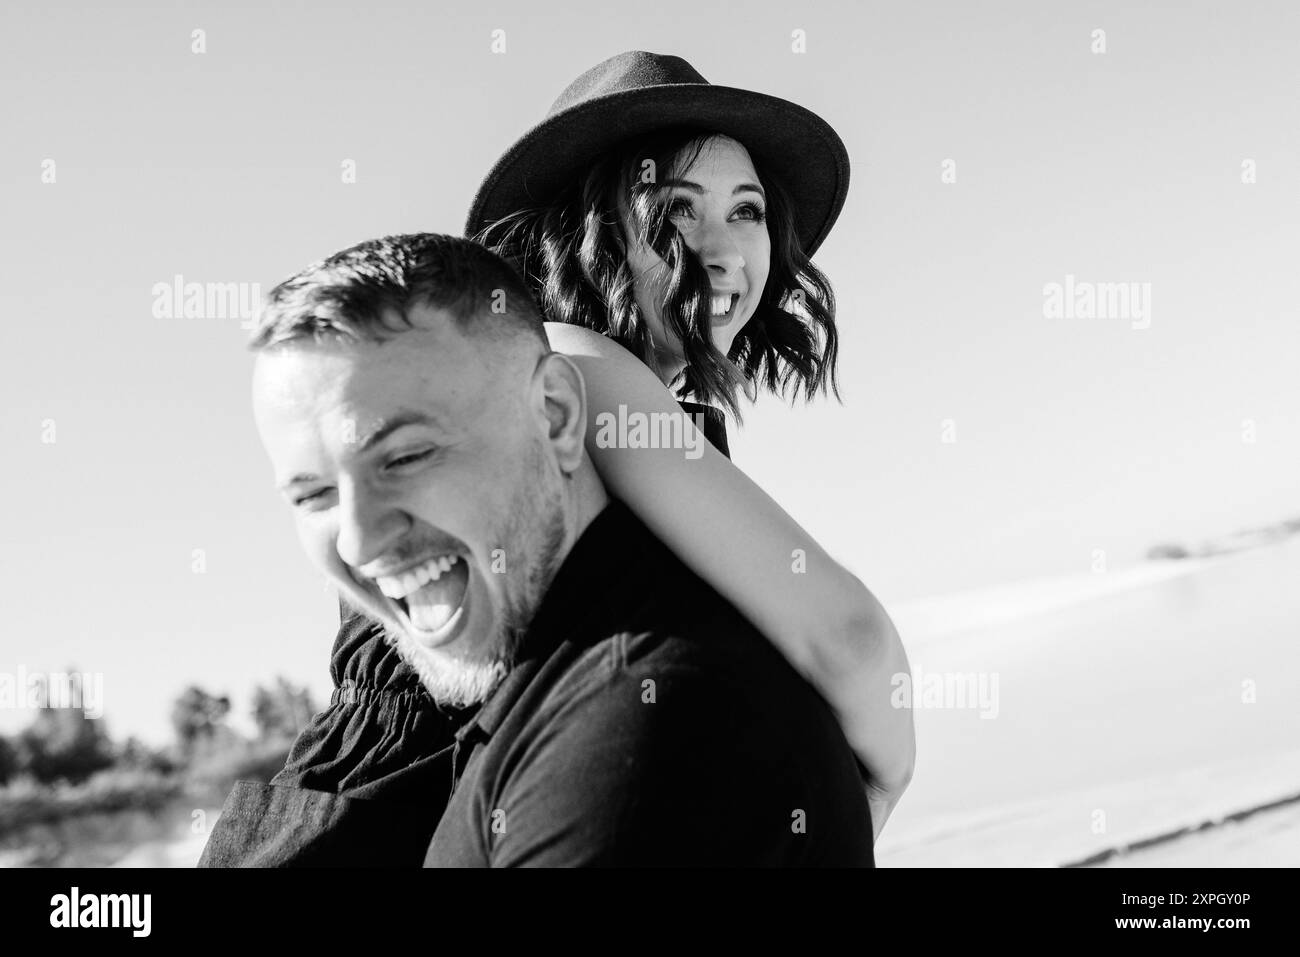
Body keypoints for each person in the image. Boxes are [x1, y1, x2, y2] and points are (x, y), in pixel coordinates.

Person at [199, 51, 912, 867]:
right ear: (588, 230)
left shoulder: (647, 400)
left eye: (746, 212)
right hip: (377, 819)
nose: (723, 251)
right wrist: (880, 787)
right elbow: (848, 637)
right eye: (676, 212)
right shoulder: (577, 363)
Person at [245, 232, 875, 865]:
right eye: (313, 495)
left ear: (558, 412)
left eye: (407, 457)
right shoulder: (534, 689)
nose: (357, 538)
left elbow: (851, 637)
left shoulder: (632, 741)